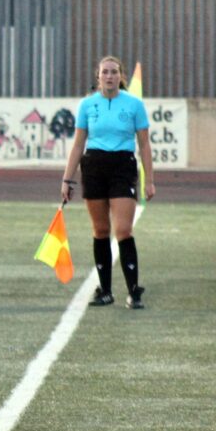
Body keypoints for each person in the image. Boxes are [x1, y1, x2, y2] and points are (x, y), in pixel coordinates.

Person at [61, 55, 155, 309]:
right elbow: (79, 143)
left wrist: (149, 180)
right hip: (93, 167)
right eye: (105, 72)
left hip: (122, 167)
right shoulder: (88, 105)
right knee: (100, 231)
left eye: (114, 72)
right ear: (98, 76)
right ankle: (105, 291)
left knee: (123, 230)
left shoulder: (134, 105)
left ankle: (134, 291)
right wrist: (67, 179)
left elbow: (144, 144)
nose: (109, 76)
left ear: (121, 76)